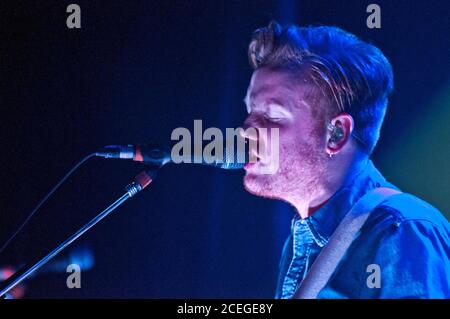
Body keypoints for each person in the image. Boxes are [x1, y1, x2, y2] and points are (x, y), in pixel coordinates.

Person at [240, 21, 450, 298]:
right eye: (250, 111)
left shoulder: (402, 231)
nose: (244, 130)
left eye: (272, 116)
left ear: (336, 134)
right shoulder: (299, 242)